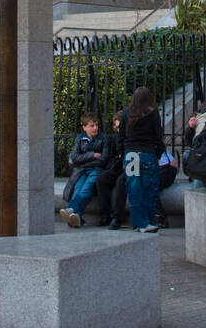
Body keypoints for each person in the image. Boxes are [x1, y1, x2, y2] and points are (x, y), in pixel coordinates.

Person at [119, 87, 164, 233]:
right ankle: (150, 221)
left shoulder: (126, 113)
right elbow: (158, 137)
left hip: (130, 155)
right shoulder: (153, 113)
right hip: (147, 153)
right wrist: (157, 154)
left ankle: (141, 223)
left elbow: (120, 138)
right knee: (149, 189)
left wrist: (123, 153)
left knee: (134, 190)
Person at [60, 113, 109, 228]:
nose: (95, 128)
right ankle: (77, 217)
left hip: (96, 170)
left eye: (96, 125)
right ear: (84, 127)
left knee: (86, 188)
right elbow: (74, 158)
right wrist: (92, 155)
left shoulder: (103, 139)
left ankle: (71, 210)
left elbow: (103, 159)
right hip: (81, 171)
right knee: (77, 189)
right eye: (92, 125)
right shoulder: (79, 139)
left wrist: (85, 160)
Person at [95, 114, 126, 229]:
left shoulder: (129, 138)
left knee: (120, 182)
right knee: (101, 180)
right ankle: (105, 215)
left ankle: (117, 217)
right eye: (117, 127)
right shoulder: (112, 138)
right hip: (117, 166)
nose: (119, 130)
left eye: (121, 127)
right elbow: (109, 157)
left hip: (128, 167)